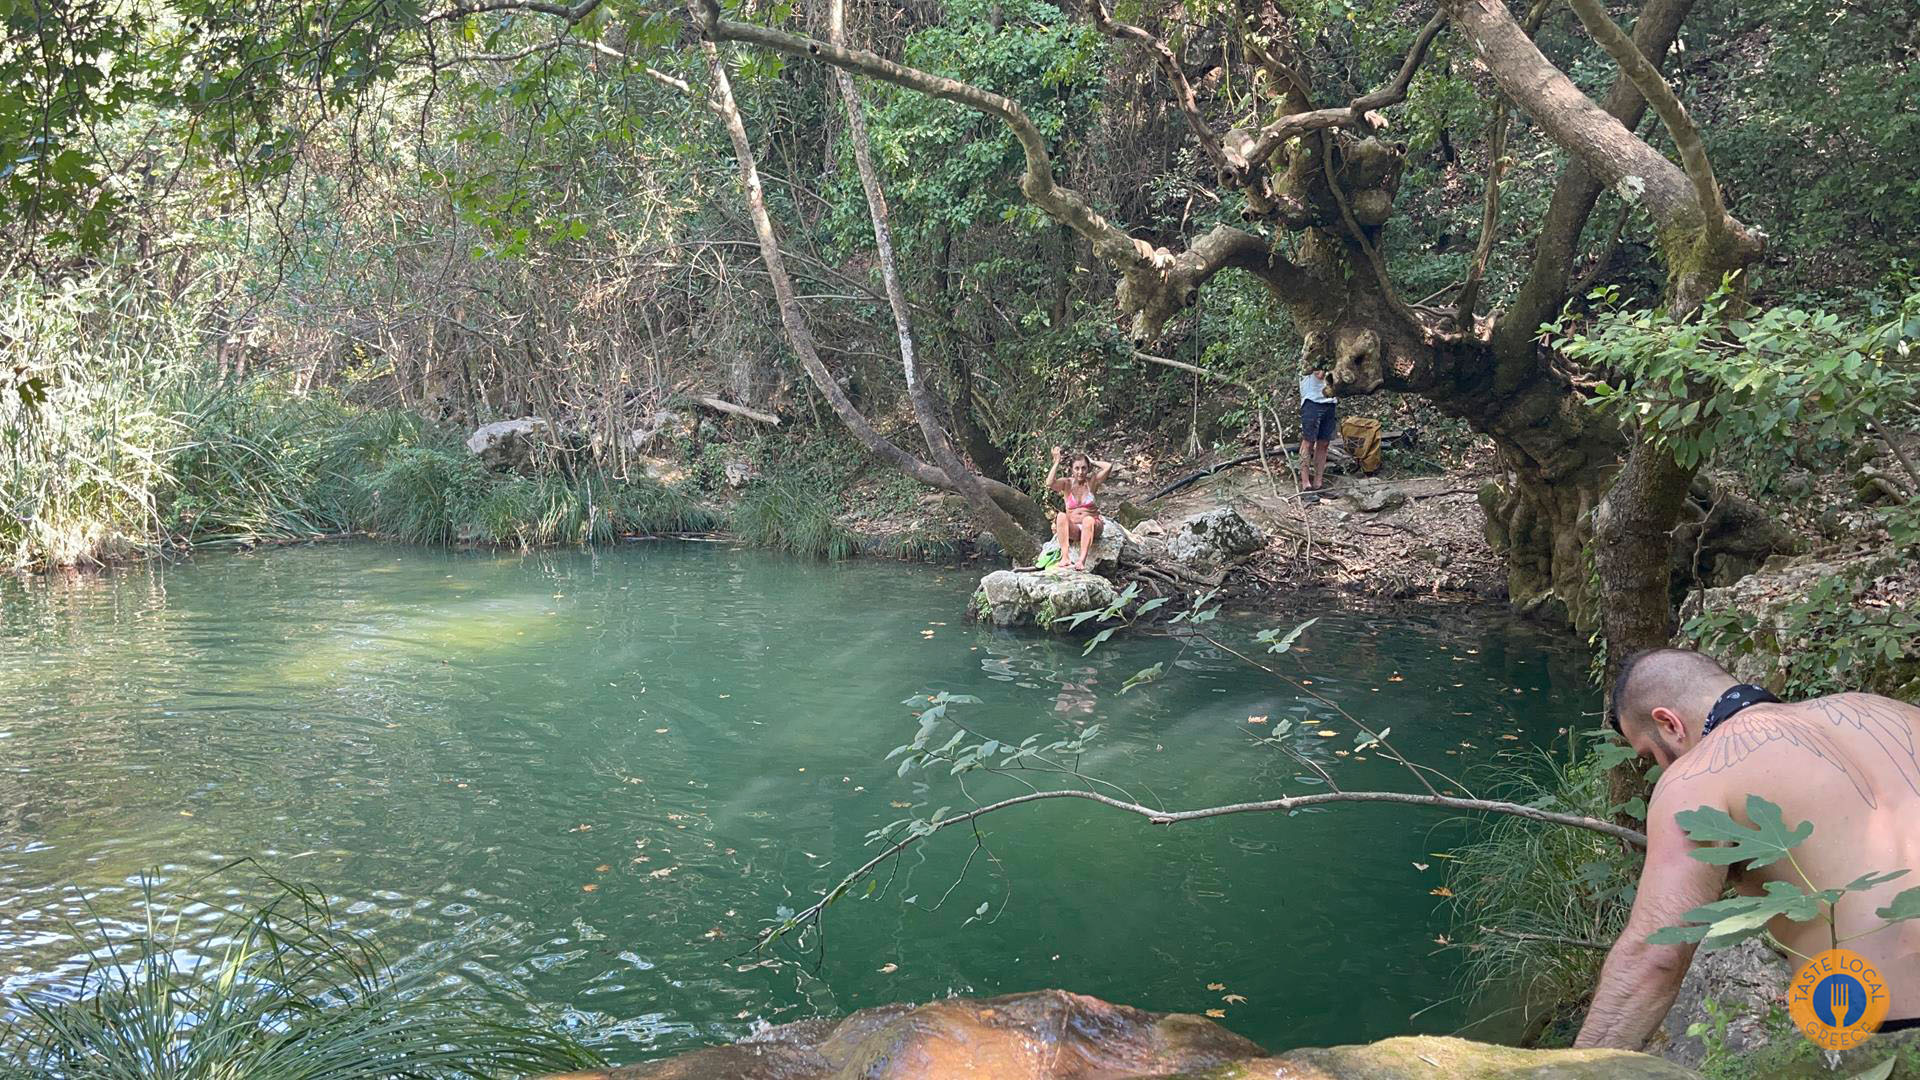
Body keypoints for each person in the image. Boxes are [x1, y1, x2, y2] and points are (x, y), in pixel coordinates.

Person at [1578, 648, 1920, 1049]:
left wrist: (1573, 1070)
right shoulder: (1886, 711)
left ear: (1668, 723)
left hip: (1879, 1031)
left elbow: (1656, 957)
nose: (1661, 769)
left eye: (1650, 755)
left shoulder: (1696, 778)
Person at [1044, 446, 1113, 571]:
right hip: (1074, 529)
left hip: (1093, 526)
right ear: (1071, 469)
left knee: (1088, 520)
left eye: (1083, 468)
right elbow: (1049, 483)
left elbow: (1108, 466)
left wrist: (1092, 461)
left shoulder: (1092, 482)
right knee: (1060, 516)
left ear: (1088, 469)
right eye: (1077, 468)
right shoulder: (1066, 483)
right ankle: (1065, 557)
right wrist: (1056, 462)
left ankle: (1081, 560)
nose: (1080, 472)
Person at [1299, 367, 1337, 492]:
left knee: (1324, 443)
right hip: (1312, 401)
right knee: (1308, 442)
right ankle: (1305, 484)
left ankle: (1318, 483)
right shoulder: (1313, 354)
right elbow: (1320, 375)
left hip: (1330, 401)